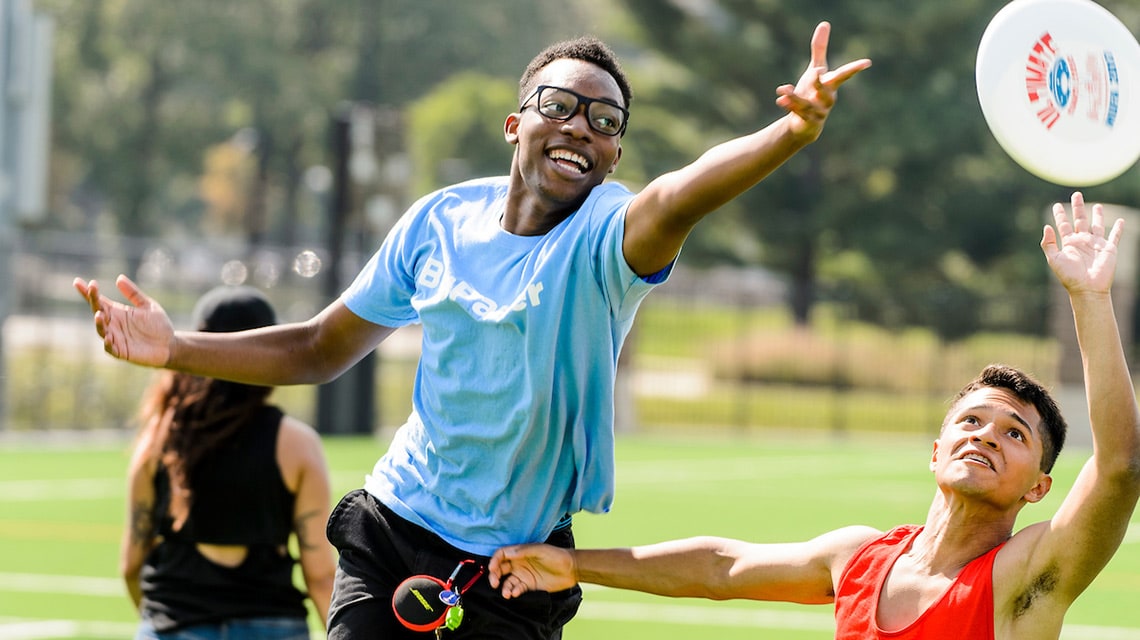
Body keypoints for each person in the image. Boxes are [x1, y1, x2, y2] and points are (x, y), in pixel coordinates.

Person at [76, 22, 871, 639]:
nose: (581, 128)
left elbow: (678, 196)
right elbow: (320, 347)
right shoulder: (438, 221)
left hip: (516, 566)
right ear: (514, 124)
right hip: (394, 525)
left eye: (604, 120)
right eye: (560, 107)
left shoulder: (609, 237)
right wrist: (175, 348)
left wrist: (789, 134)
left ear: (615, 151)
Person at [488, 191, 1140, 639]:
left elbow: (1120, 467)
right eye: (971, 421)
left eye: (1014, 434)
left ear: (1038, 487)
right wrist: (576, 564)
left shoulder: (1025, 577)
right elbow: (722, 568)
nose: (986, 436)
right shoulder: (858, 556)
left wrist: (1089, 297)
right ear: (935, 449)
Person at [120, 286, 336, 639]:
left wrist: (160, 621)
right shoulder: (298, 445)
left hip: (174, 625)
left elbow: (131, 566)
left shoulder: (157, 440)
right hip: (273, 626)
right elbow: (321, 577)